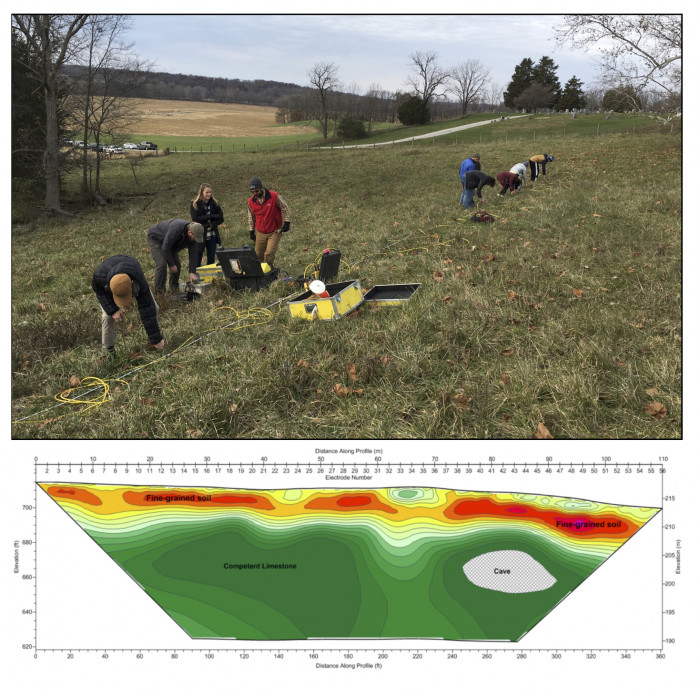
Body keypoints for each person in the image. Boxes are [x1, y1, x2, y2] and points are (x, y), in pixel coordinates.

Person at [92, 255, 164, 354]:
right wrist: (113, 310)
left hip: (130, 270)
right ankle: (108, 352)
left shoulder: (137, 277)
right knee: (107, 317)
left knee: (153, 308)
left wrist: (156, 339)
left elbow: (146, 307)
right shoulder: (99, 277)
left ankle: (153, 343)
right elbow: (100, 292)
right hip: (108, 280)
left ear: (132, 283)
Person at [146, 219, 204, 294]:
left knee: (177, 265)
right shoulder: (176, 229)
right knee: (162, 264)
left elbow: (193, 254)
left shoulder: (193, 238)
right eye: (195, 238)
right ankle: (160, 293)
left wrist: (193, 272)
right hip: (155, 239)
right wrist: (171, 264)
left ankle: (173, 289)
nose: (196, 240)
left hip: (171, 243)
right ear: (190, 233)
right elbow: (165, 248)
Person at [247, 177, 291, 268]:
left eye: (257, 191)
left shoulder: (274, 196)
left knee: (269, 253)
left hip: (275, 231)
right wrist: (251, 231)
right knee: (258, 253)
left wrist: (287, 222)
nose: (255, 194)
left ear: (261, 188)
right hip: (260, 232)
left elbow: (286, 208)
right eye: (253, 192)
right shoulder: (251, 202)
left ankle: (269, 270)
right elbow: (251, 217)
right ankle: (260, 272)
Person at [190, 183, 224, 266]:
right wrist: (211, 216)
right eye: (207, 192)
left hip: (212, 234)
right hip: (200, 234)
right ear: (202, 192)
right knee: (198, 256)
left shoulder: (214, 203)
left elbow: (221, 218)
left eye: (210, 192)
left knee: (211, 257)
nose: (209, 194)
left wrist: (212, 224)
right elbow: (196, 219)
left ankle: (210, 275)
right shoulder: (194, 203)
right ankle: (196, 275)